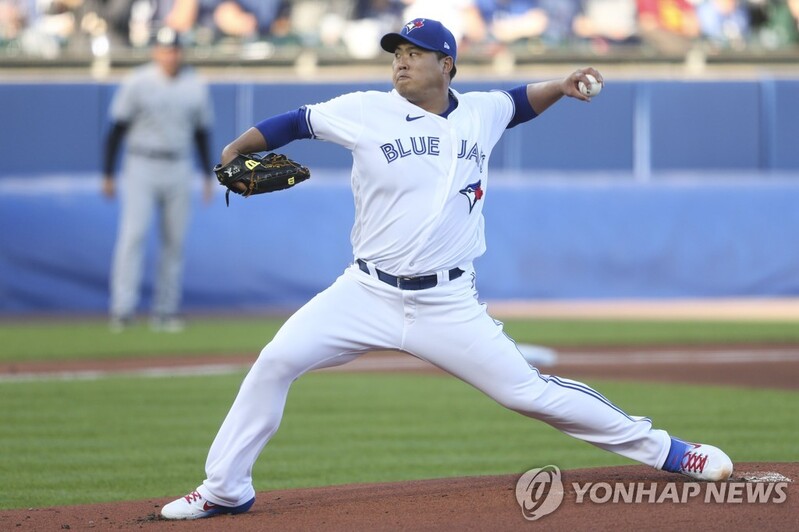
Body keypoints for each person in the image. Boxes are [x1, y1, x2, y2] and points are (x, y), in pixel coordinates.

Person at [160, 17, 734, 520]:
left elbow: (521, 101)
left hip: (447, 304)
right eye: (396, 54)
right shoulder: (365, 110)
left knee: (530, 394)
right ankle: (225, 489)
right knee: (275, 361)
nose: (401, 62)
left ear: (447, 65)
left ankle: (670, 451)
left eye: (413, 54)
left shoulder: (480, 112)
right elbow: (296, 121)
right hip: (363, 291)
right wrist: (236, 148)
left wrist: (561, 86)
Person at [103, 26, 214, 332]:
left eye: (175, 49)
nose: (170, 54)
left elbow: (202, 133)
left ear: (181, 51)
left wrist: (207, 175)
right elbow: (116, 130)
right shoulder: (138, 81)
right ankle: (122, 309)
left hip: (179, 164)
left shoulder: (195, 85)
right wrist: (108, 173)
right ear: (156, 51)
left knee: (174, 241)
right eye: (165, 49)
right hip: (141, 162)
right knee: (133, 236)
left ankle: (165, 310)